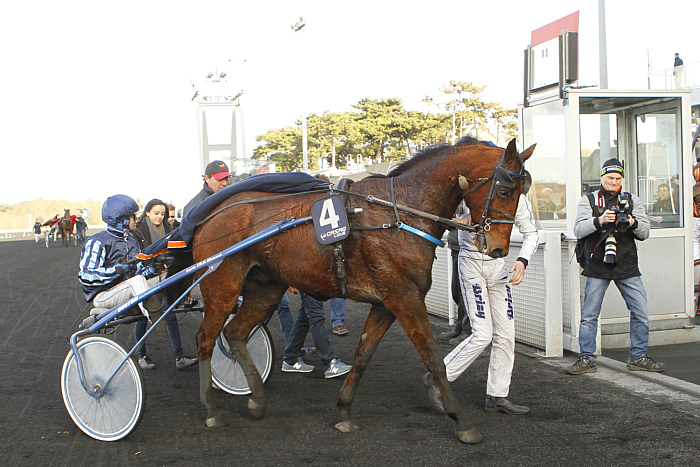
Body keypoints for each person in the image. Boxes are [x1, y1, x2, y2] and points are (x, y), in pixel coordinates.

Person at [424, 192, 538, 415]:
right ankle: (438, 377)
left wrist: (523, 260)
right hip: (471, 264)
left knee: (506, 334)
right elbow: (437, 217)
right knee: (482, 334)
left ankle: (498, 396)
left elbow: (531, 233)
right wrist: (456, 223)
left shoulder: (518, 198)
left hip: (498, 266)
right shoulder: (467, 192)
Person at [567, 158, 664, 375]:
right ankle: (586, 358)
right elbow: (578, 230)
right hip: (598, 264)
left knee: (640, 311)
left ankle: (638, 357)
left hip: (627, 264)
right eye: (610, 178)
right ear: (602, 177)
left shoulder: (632, 200)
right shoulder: (589, 200)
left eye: (618, 178)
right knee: (590, 314)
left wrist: (632, 222)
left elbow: (645, 233)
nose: (614, 182)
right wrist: (599, 221)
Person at [78, 195, 166, 328]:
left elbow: (138, 274)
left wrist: (153, 269)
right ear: (122, 220)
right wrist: (115, 271)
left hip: (128, 290)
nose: (136, 220)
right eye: (133, 217)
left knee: (168, 275)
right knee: (136, 282)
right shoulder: (97, 241)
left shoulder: (132, 242)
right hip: (104, 296)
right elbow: (85, 276)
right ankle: (156, 319)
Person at [133, 199, 198, 370]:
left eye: (163, 214)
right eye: (156, 213)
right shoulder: (138, 231)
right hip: (146, 279)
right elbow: (137, 257)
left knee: (170, 314)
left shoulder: (168, 229)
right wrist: (155, 268)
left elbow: (173, 252)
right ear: (147, 213)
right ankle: (142, 356)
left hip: (165, 276)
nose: (160, 217)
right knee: (142, 318)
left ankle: (179, 357)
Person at [281, 291, 352, 379]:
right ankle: (329, 362)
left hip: (309, 281)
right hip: (308, 281)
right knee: (316, 316)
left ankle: (290, 359)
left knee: (305, 316)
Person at [439, 229, 472, 345]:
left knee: (466, 294)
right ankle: (459, 328)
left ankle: (467, 331)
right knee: (457, 293)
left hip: (469, 251)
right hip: (455, 249)